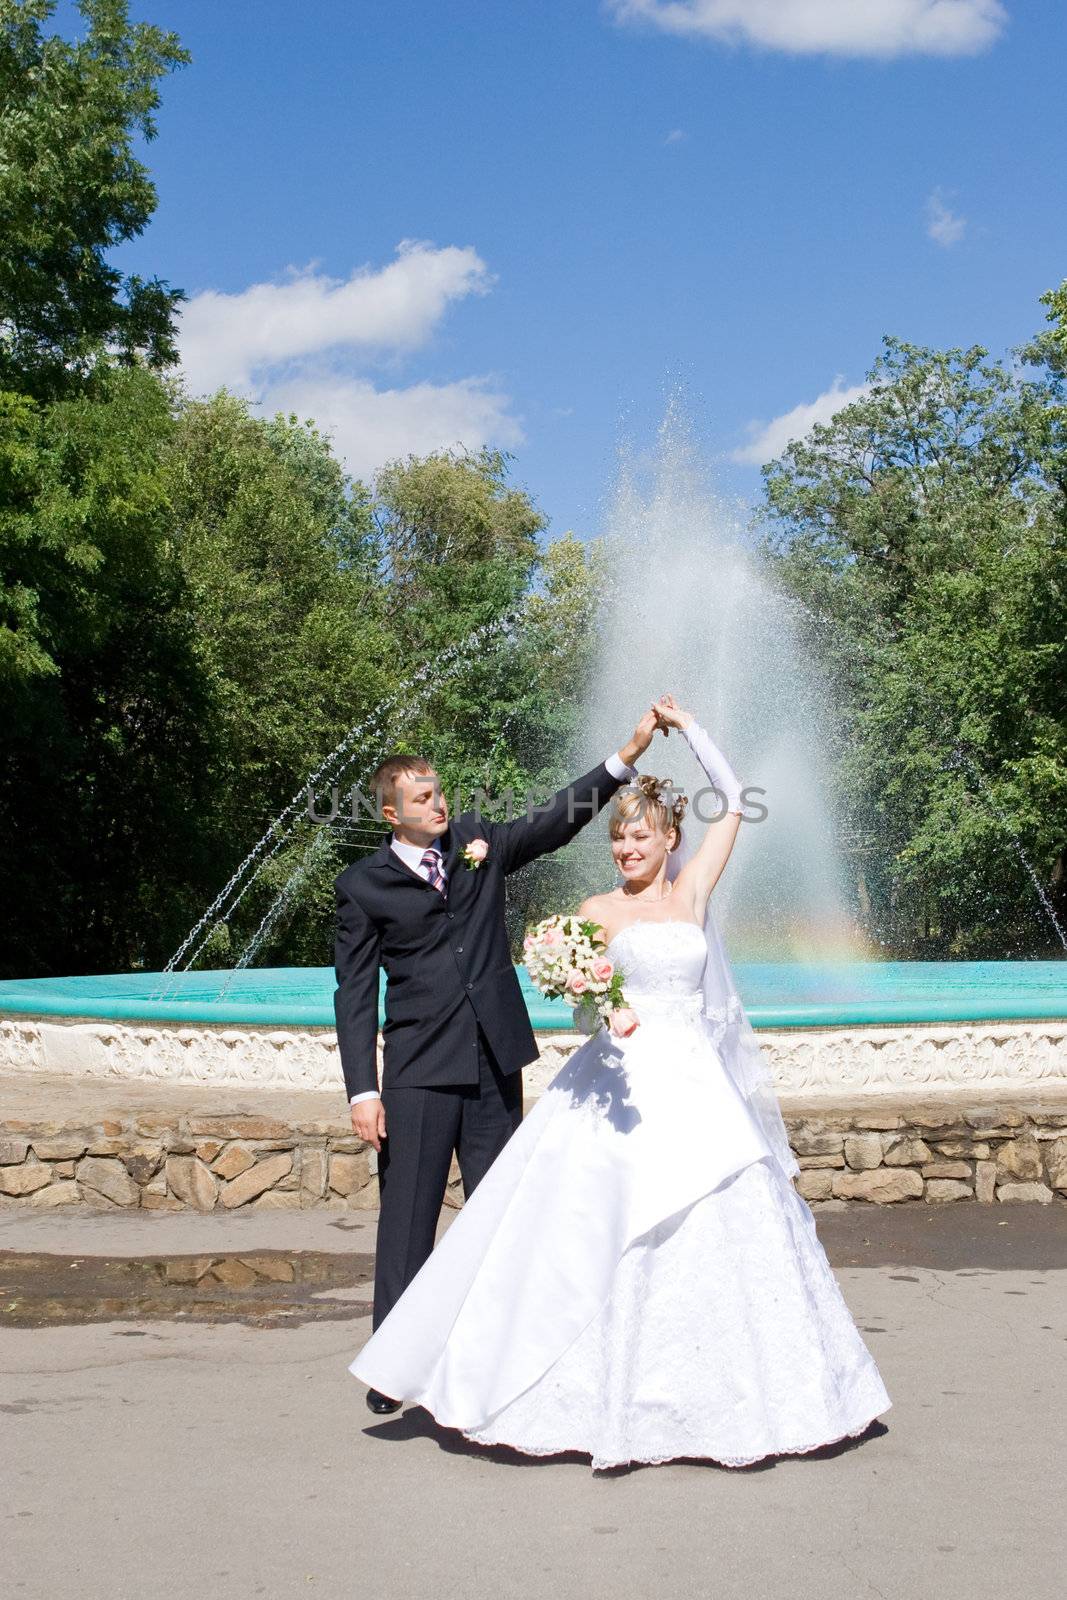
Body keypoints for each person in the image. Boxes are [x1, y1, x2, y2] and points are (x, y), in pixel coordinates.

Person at [348, 696, 891, 1469]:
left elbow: (723, 801)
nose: (626, 848)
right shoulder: (592, 910)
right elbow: (581, 1001)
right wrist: (600, 1009)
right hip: (586, 1083)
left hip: (691, 1085)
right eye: (620, 838)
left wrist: (680, 731)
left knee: (703, 1226)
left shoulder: (691, 891)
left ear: (670, 839)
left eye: (640, 835)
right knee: (537, 1227)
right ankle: (420, 1363)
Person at [333, 711, 662, 1413]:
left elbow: (553, 820)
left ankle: (495, 1359)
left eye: (438, 792)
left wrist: (623, 757)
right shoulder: (361, 886)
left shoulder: (478, 841)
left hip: (493, 1063)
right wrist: (363, 1089)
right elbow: (355, 992)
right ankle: (394, 1367)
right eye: (422, 798)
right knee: (407, 1221)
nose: (439, 803)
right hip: (419, 1071)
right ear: (391, 813)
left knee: (499, 1218)